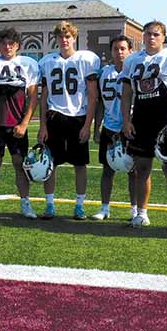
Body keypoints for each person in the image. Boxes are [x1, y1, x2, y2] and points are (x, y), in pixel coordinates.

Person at [120, 20, 167, 231]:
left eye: (156, 34)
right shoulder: (132, 60)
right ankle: (141, 213)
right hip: (141, 119)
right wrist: (126, 120)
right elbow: (127, 94)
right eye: (148, 34)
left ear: (164, 37)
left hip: (164, 119)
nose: (151, 38)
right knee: (142, 169)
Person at [37, 21, 100, 220]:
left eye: (68, 37)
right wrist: (42, 125)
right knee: (50, 163)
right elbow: (44, 96)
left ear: (74, 38)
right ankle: (49, 204)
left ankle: (79, 205)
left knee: (80, 165)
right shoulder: (47, 61)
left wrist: (87, 125)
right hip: (54, 117)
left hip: (77, 118)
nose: (64, 40)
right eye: (60, 37)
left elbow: (93, 96)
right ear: (55, 39)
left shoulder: (86, 59)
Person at [0, 27, 40, 218]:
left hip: (17, 124)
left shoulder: (28, 64)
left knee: (20, 164)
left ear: (18, 45)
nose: (7, 46)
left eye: (11, 43)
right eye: (3, 43)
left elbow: (33, 97)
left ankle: (25, 203)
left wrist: (25, 124)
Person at [92, 36, 137, 221]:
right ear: (111, 52)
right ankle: (104, 208)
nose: (119, 52)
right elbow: (100, 103)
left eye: (123, 49)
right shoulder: (104, 73)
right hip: (110, 127)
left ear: (130, 51)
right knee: (107, 170)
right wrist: (97, 128)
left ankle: (135, 209)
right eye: (116, 49)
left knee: (134, 170)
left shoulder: (136, 71)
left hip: (131, 127)